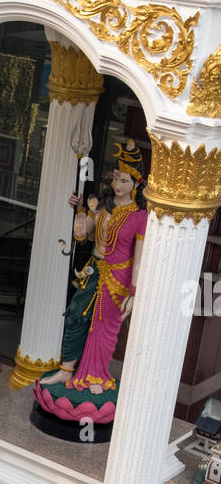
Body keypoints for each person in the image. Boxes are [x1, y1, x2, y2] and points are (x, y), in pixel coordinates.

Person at [39, 140, 146, 396]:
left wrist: (134, 292)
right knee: (76, 315)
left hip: (118, 278)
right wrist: (78, 211)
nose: (118, 186)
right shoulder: (102, 206)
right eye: (117, 180)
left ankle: (96, 374)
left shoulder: (140, 217)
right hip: (93, 270)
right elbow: (82, 235)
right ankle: (67, 369)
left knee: (104, 326)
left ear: (137, 185)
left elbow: (140, 259)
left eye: (125, 182)